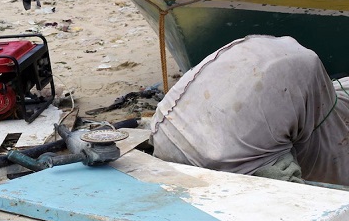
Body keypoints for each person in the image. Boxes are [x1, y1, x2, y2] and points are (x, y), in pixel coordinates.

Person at [149, 35, 349, 186]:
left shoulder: (293, 59)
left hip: (162, 130)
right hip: (215, 160)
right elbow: (325, 155)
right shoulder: (308, 80)